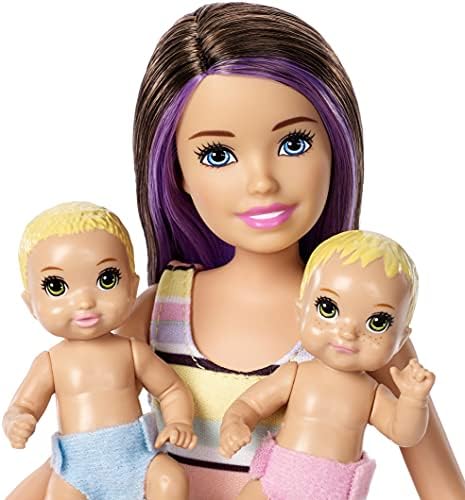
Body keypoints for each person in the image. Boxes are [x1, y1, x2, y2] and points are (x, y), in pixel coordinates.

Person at [7, 3, 464, 499]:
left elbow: (439, 481)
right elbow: (94, 448)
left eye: (294, 143)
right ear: (177, 172)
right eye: (218, 155)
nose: (262, 182)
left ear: (335, 147)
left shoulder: (357, 316)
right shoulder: (161, 309)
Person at [220, 230, 435, 499]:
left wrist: (414, 400)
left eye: (377, 322)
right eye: (328, 309)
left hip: (333, 490)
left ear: (401, 338)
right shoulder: (295, 375)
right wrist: (236, 424)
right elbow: (250, 404)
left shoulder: (372, 394)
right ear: (301, 312)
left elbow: (404, 433)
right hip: (276, 480)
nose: (347, 332)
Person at [4, 202, 196, 499]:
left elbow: (171, 389)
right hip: (77, 469)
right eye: (56, 286)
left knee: (170, 479)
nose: (84, 302)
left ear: (132, 286)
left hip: (136, 459)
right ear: (31, 303)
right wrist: (18, 421)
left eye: (107, 280)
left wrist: (178, 421)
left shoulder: (132, 351)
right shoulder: (51, 362)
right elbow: (23, 406)